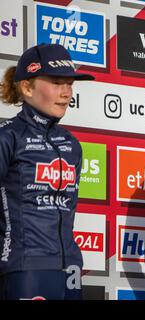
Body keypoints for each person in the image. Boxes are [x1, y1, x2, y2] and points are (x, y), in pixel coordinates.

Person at [0, 43, 95, 300]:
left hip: (70, 266)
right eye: (56, 83)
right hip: (25, 266)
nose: (66, 93)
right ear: (27, 87)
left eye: (70, 84)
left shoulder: (71, 145)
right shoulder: (8, 137)